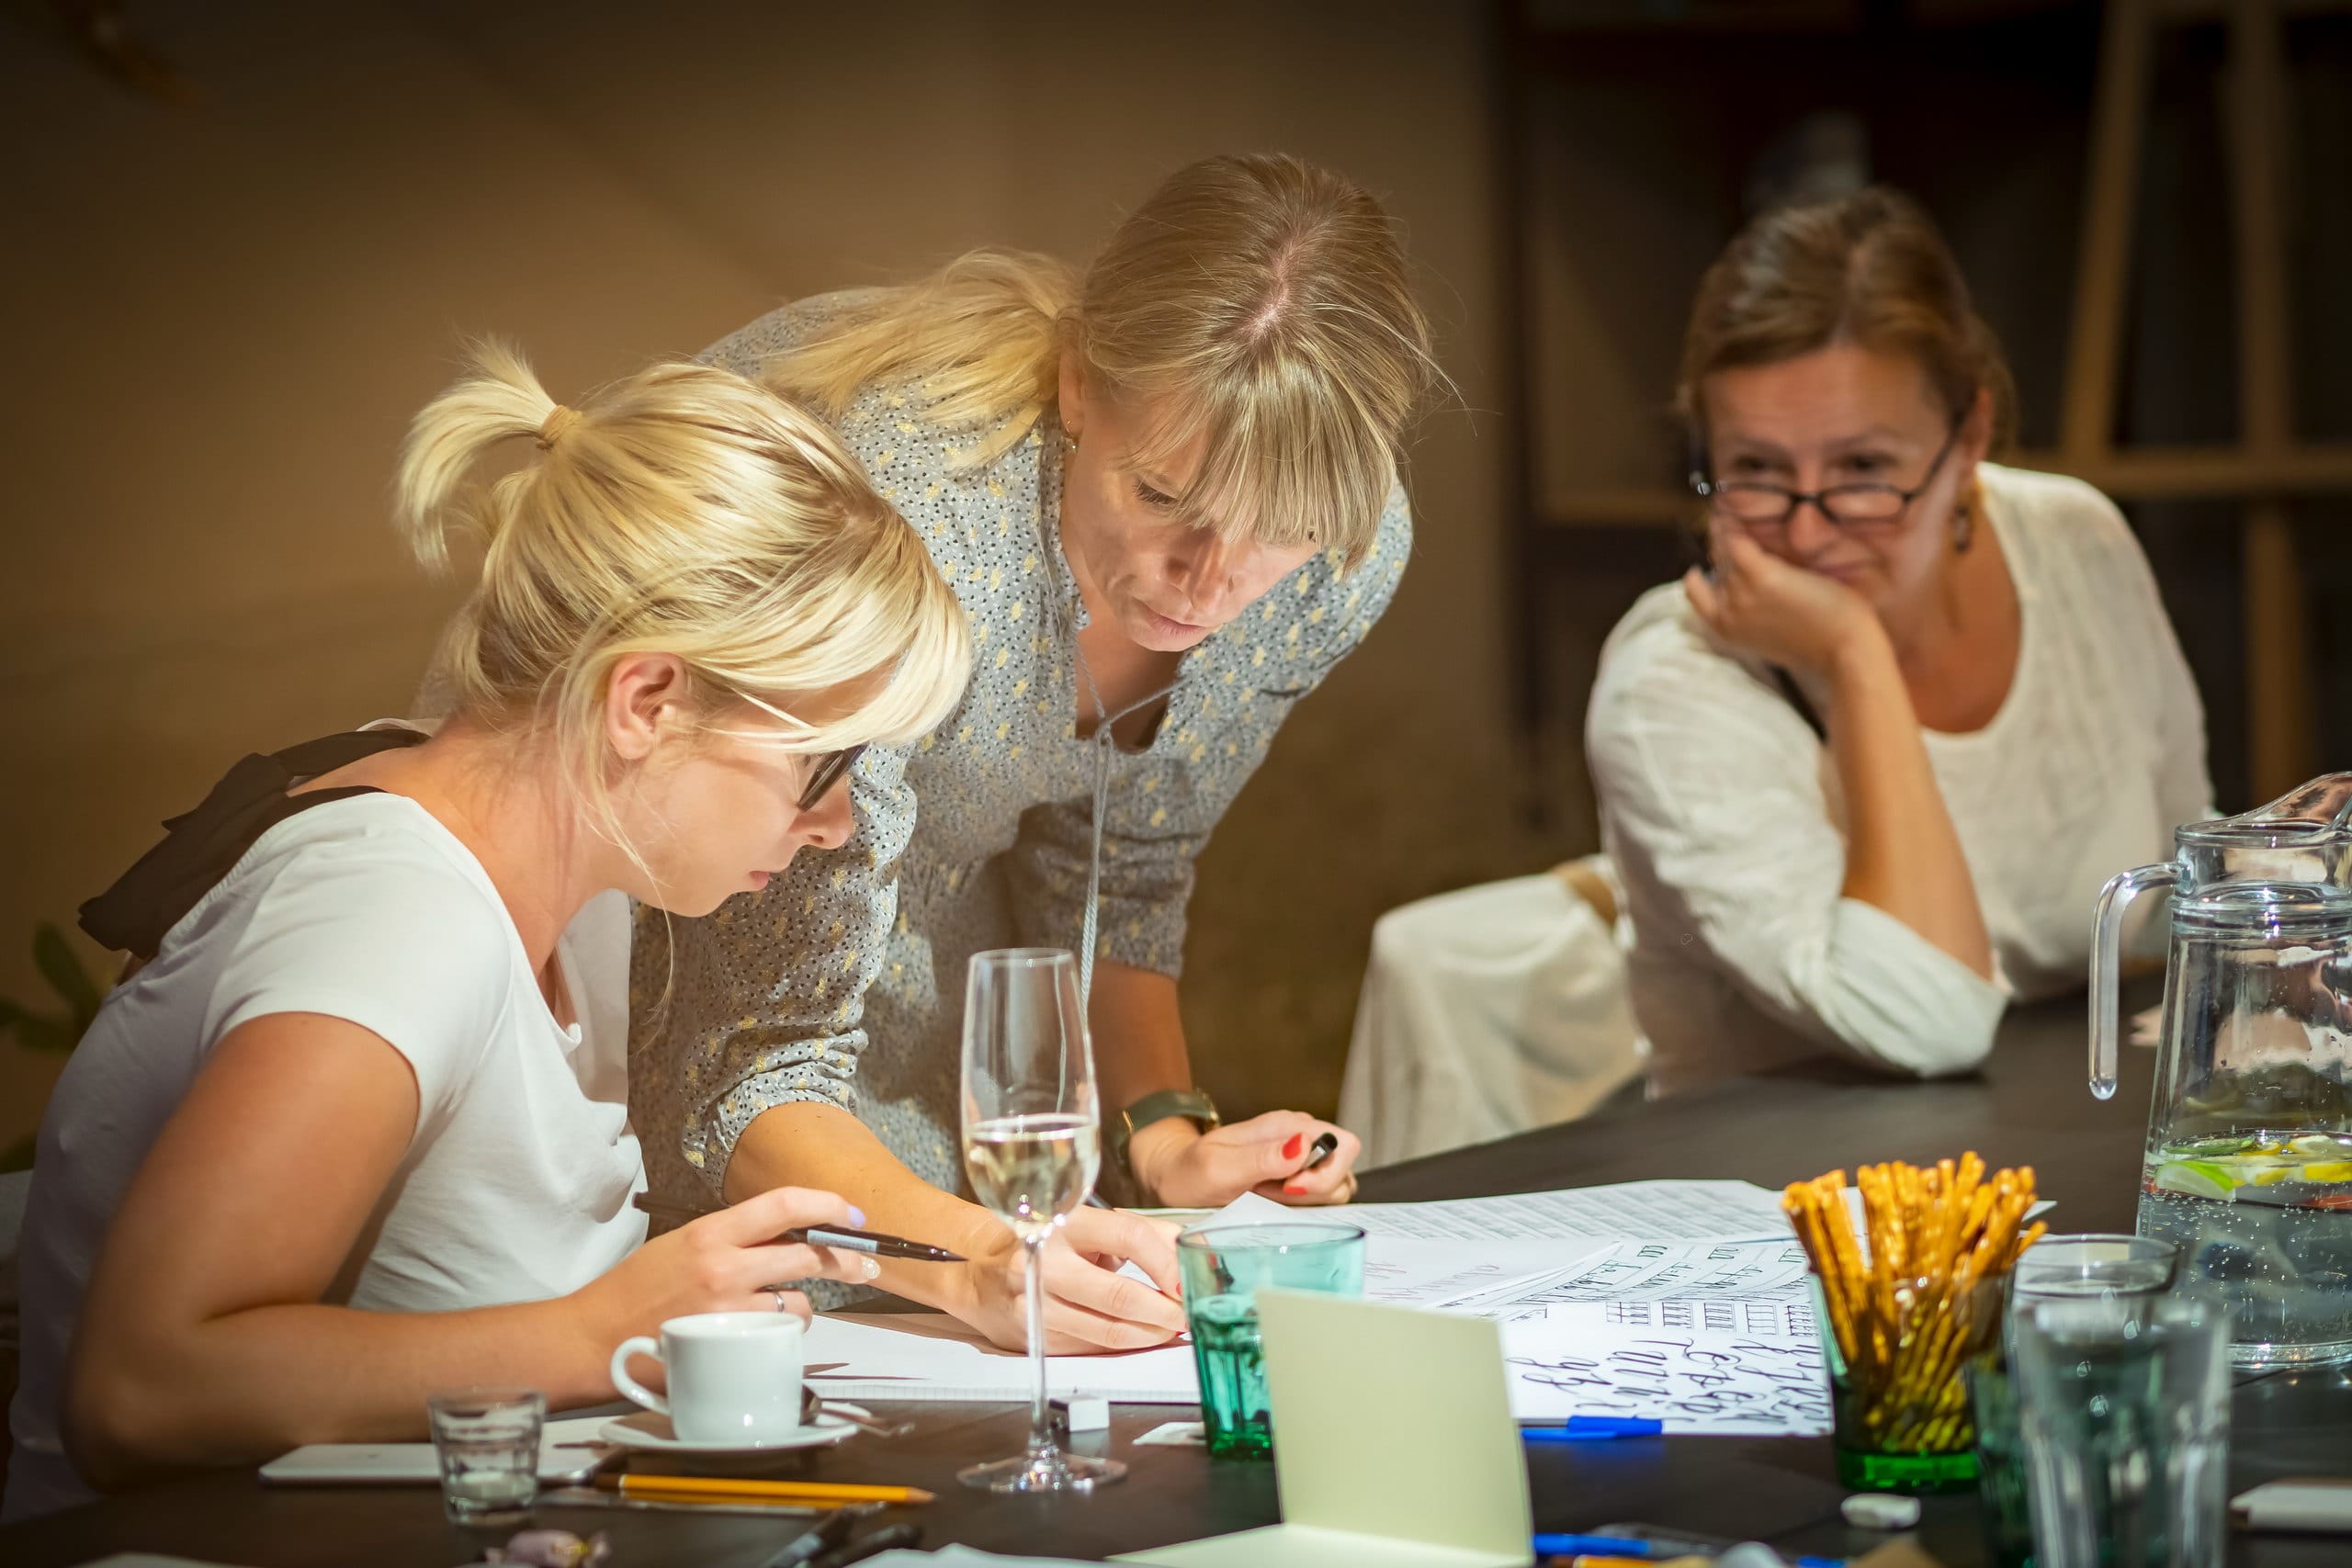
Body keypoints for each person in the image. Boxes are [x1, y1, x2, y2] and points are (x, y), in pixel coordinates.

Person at [3, 345, 970, 1518]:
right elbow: (141, 1389)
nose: (836, 825)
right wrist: (599, 1332)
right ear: (646, 701)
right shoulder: (396, 917)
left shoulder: (577, 870)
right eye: (822, 761)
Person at [631, 152, 1439, 1353]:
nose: (1209, 583)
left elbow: (1122, 862)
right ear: (1075, 385)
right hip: (680, 906)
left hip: (934, 963)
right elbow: (750, 1053)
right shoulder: (912, 516)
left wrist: (1165, 1141)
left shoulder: (1342, 557)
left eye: (1280, 528)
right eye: (1163, 495)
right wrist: (978, 1263)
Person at [1342, 186, 2212, 1140]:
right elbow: (1929, 1018)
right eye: (1756, 471)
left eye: (1863, 469)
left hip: (2058, 1133)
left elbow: (2180, 887)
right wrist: (1853, 656)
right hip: (1776, 1187)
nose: (1807, 533)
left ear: (1968, 438)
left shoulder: (2074, 542)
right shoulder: (1668, 680)